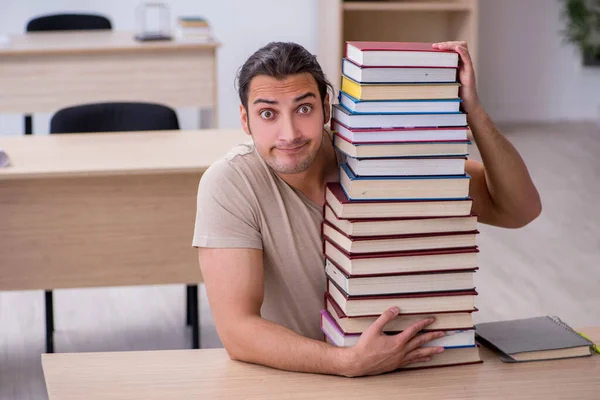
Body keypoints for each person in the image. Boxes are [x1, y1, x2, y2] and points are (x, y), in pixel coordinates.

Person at [192, 41, 541, 377]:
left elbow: (519, 210)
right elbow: (237, 330)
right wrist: (347, 363)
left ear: (326, 108)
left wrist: (473, 111)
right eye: (268, 113)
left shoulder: (376, 152)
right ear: (245, 119)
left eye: (304, 108)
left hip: (421, 365)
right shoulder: (230, 183)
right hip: (304, 374)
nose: (289, 133)